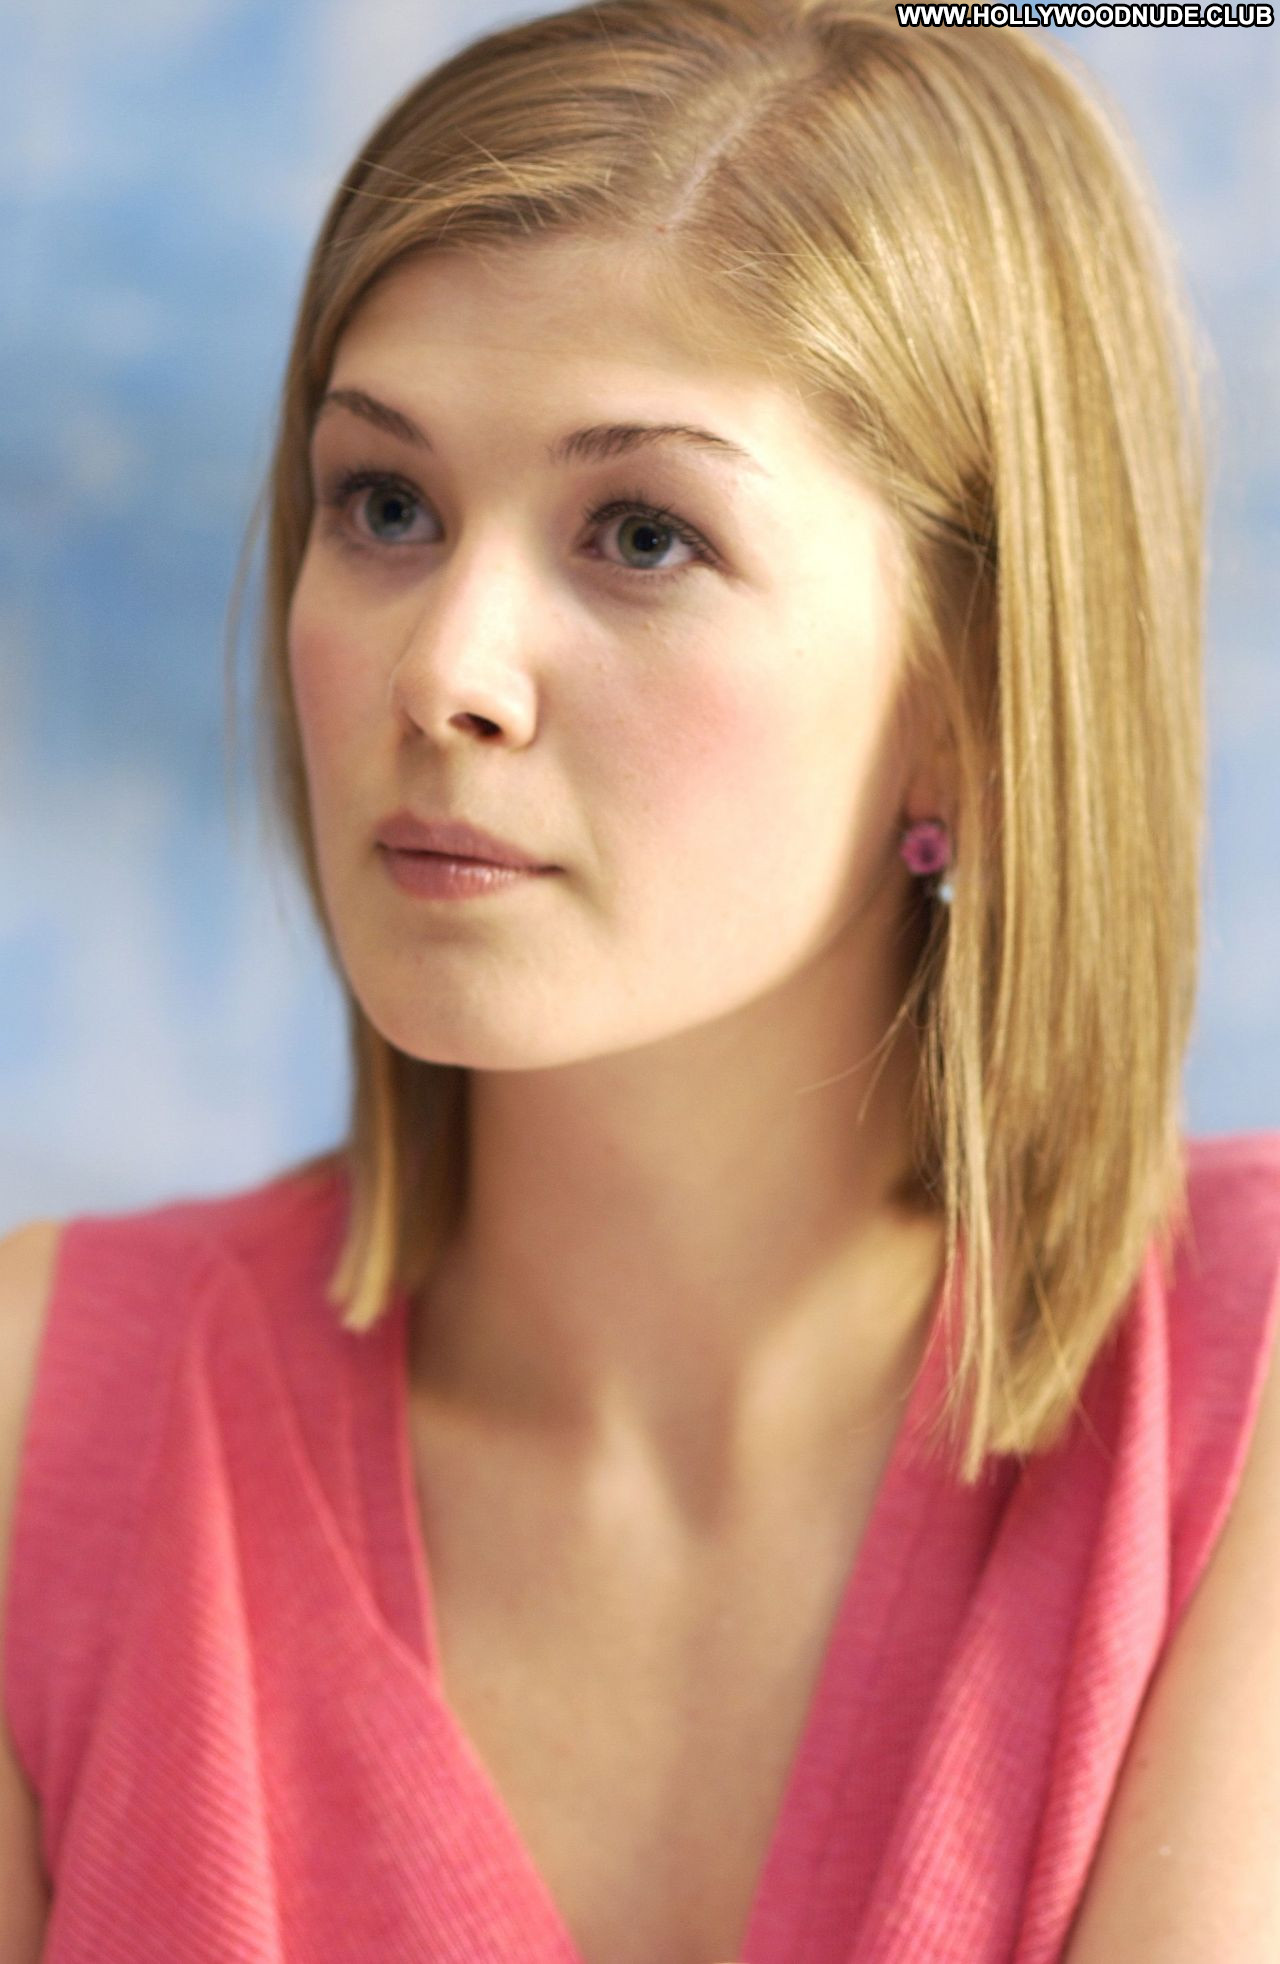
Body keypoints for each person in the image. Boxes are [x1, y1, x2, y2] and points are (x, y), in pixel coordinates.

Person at [2, 2, 1278, 1959]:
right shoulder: (36, 1424)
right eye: (385, 504)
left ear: (972, 698)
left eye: (642, 536)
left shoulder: (1244, 1408)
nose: (446, 670)